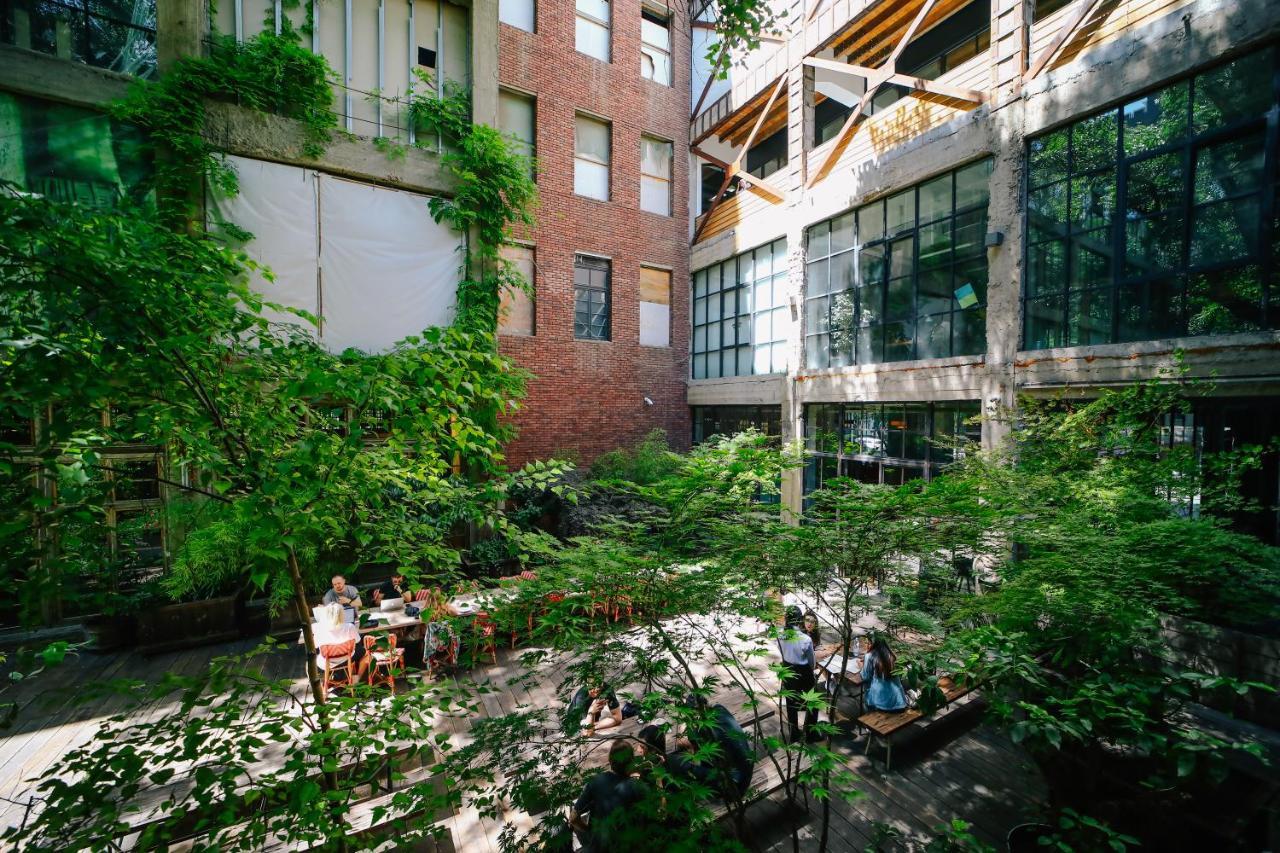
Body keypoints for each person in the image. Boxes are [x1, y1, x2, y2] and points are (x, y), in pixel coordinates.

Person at [568, 740, 644, 852]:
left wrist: (589, 830)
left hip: (599, 846)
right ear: (631, 762)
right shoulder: (637, 786)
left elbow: (573, 818)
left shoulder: (596, 781)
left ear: (610, 760)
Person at [777, 606, 818, 742]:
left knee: (791, 703)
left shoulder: (781, 634)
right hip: (803, 673)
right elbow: (812, 662)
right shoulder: (805, 639)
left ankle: (794, 735)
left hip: (788, 670)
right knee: (812, 702)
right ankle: (811, 735)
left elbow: (781, 652)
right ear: (800, 620)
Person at [313, 602, 369, 681]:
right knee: (365, 653)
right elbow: (358, 642)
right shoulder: (349, 626)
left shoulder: (319, 629)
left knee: (311, 659)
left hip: (327, 663)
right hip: (347, 658)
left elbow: (315, 647)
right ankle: (357, 678)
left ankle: (324, 683)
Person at [862, 635, 909, 712]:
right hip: (899, 702)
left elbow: (865, 677)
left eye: (868, 643)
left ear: (873, 644)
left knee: (867, 685)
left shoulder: (869, 656)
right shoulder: (891, 655)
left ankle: (869, 713)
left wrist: (862, 666)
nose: (867, 645)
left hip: (880, 704)